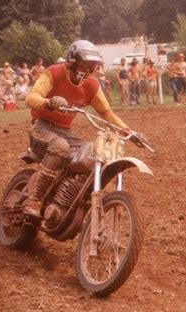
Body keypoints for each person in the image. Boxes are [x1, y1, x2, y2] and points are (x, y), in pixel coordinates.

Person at [23, 40, 139, 217]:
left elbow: (106, 112)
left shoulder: (92, 86)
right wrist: (49, 102)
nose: (86, 70)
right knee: (60, 147)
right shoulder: (54, 73)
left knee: (94, 154)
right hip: (42, 128)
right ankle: (34, 200)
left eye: (91, 66)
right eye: (83, 64)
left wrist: (129, 133)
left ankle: (68, 200)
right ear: (71, 61)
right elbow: (31, 97)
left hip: (65, 132)